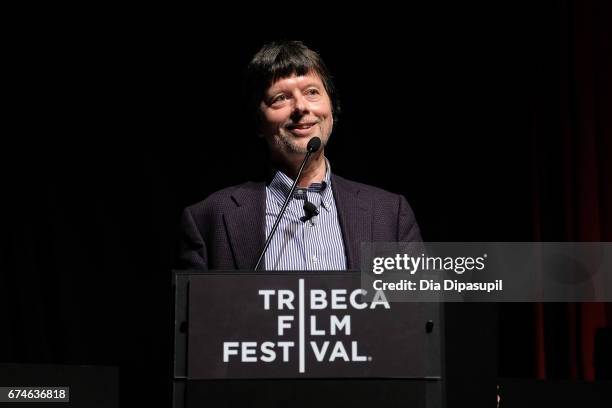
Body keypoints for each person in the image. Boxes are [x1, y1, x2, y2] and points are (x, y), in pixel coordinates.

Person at [178, 40, 421, 271]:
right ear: (258, 123)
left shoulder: (390, 213)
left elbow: (417, 310)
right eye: (280, 98)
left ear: (331, 109)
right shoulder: (208, 219)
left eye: (312, 92)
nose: (301, 107)